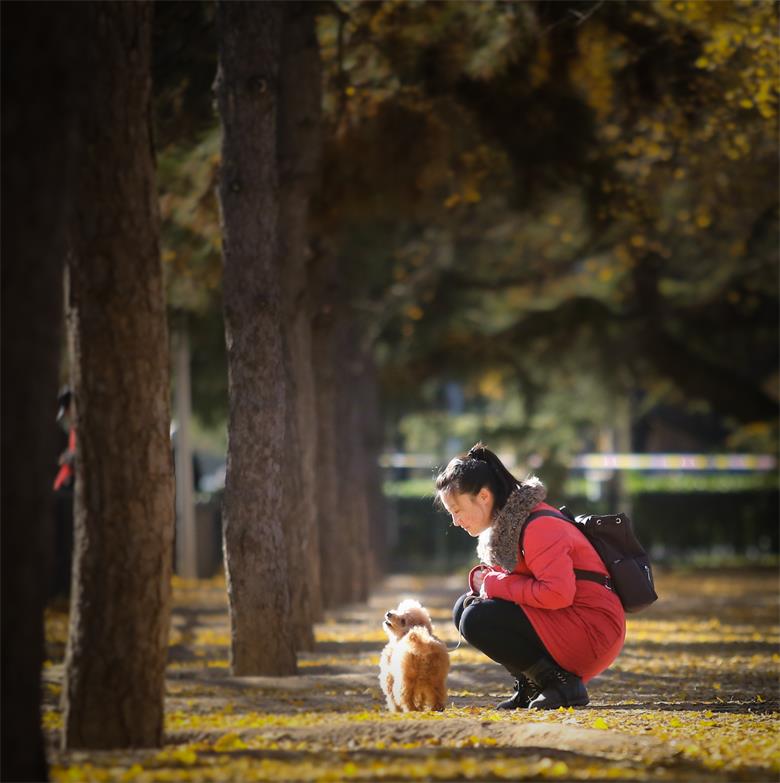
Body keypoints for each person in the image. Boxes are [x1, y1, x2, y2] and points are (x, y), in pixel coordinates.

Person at [436, 442, 626, 710]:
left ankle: (562, 684)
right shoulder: (514, 526)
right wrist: (489, 586)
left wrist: (495, 585)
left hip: (592, 632)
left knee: (478, 618)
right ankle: (532, 684)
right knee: (464, 609)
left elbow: (557, 593)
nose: (455, 521)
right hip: (572, 622)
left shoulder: (539, 526)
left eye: (456, 511)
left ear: (483, 497)